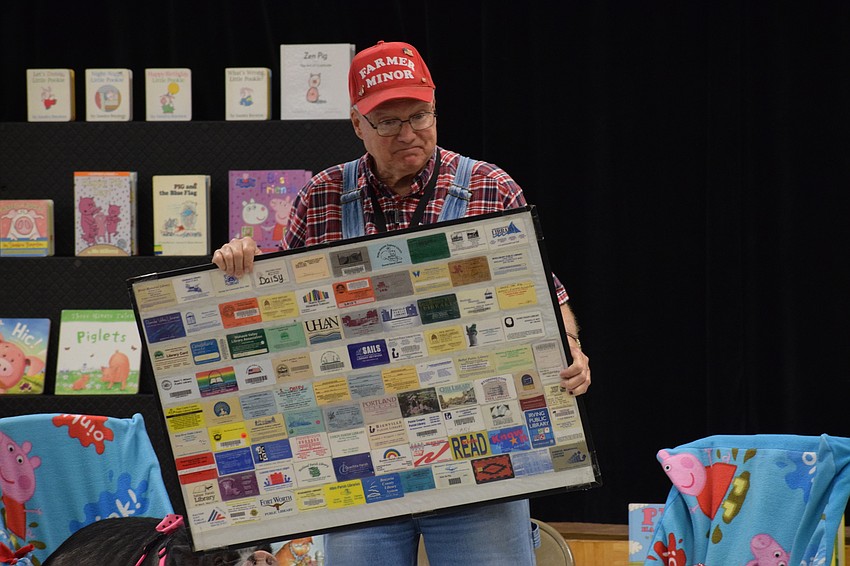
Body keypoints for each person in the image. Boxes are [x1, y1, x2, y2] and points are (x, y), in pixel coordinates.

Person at [213, 40, 591, 566]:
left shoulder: (489, 187)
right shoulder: (321, 196)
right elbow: (283, 317)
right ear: (357, 125)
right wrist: (244, 268)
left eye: (419, 115)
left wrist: (567, 342)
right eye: (388, 122)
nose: (409, 133)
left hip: (479, 448)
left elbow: (544, 293)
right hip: (361, 457)